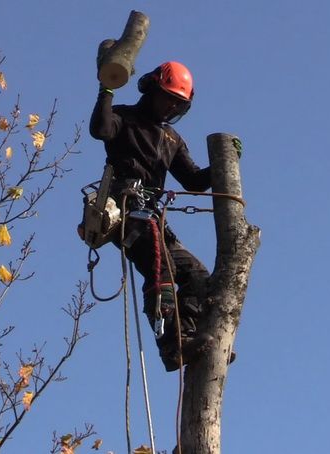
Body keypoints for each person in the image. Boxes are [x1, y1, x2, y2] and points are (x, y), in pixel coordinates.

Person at [89, 61, 214, 371]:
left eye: (178, 103)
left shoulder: (170, 139)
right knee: (162, 270)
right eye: (169, 98)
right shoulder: (125, 118)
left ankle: (187, 336)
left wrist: (224, 164)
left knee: (196, 275)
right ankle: (171, 345)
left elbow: (194, 181)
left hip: (153, 216)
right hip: (125, 209)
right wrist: (106, 89)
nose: (171, 106)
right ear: (153, 91)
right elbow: (100, 129)